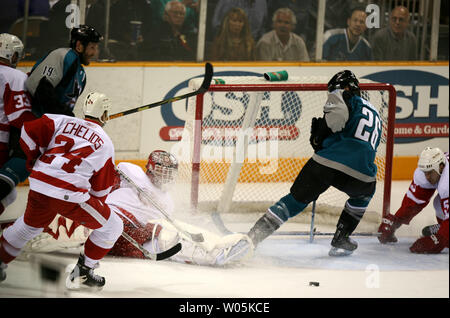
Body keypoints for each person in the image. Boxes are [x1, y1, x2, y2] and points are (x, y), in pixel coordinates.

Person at [230, 70, 382, 257]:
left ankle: (252, 239)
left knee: (293, 202)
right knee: (363, 195)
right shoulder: (375, 113)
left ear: (347, 87)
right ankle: (342, 237)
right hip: (361, 174)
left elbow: (336, 121)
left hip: (326, 163)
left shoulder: (343, 94)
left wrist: (321, 136)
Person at [22, 151, 254, 266]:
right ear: (150, 168)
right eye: (162, 170)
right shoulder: (130, 171)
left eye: (169, 172)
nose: (166, 176)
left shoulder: (168, 202)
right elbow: (101, 182)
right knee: (45, 226)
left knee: (162, 236)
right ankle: (215, 252)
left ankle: (215, 253)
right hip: (106, 219)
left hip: (132, 234)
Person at [0, 92, 123, 290]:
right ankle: (83, 273)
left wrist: (35, 158)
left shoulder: (59, 120)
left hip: (39, 184)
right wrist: (93, 204)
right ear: (105, 114)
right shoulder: (105, 142)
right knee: (113, 226)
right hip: (68, 194)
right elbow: (101, 191)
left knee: (29, 226)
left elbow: (28, 131)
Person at [378, 147, 448, 254]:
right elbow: (413, 203)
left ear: (441, 167)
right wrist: (396, 221)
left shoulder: (447, 182)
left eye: (430, 173)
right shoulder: (428, 172)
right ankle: (443, 227)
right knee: (438, 203)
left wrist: (439, 239)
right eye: (425, 172)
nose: (427, 177)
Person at [25, 24, 102, 118]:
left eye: (96, 48)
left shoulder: (81, 75)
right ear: (79, 46)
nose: (94, 53)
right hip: (38, 123)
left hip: (55, 126)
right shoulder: (64, 56)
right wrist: (64, 115)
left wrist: (68, 119)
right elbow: (41, 88)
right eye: (92, 47)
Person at [0, 33, 37, 215]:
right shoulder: (14, 76)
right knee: (6, 191)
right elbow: (20, 117)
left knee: (9, 194)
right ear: (12, 55)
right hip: (1, 142)